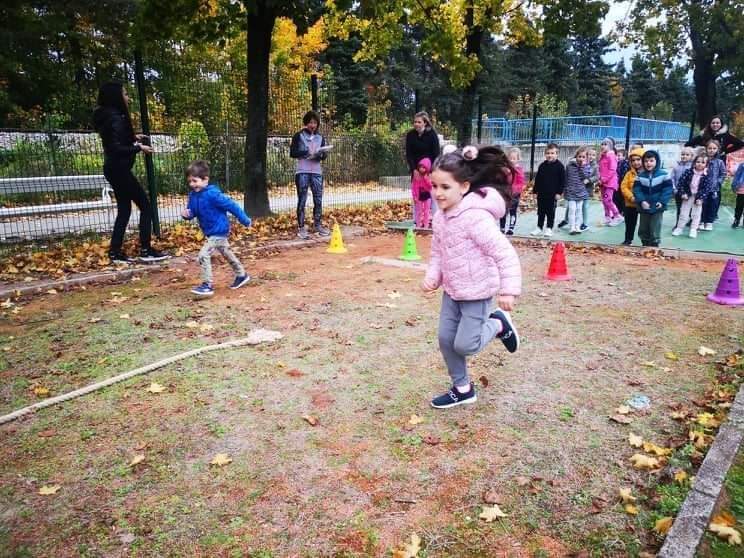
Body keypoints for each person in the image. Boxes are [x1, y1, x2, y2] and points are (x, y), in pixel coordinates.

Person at [422, 145, 521, 409]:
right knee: (446, 339)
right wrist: (433, 276)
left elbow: (504, 253)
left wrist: (508, 290)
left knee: (466, 345)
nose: (438, 193)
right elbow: (437, 252)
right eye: (434, 186)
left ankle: (498, 324)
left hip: (477, 292)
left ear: (464, 187)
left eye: (445, 187)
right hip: (452, 291)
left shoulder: (476, 218)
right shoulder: (440, 218)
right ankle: (463, 388)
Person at [93, 82, 169, 264]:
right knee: (146, 206)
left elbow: (115, 140)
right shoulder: (115, 118)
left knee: (125, 210)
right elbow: (115, 148)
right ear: (116, 97)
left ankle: (115, 252)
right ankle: (145, 250)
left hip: (115, 169)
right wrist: (138, 148)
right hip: (119, 170)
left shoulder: (108, 116)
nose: (128, 98)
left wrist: (134, 138)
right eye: (125, 94)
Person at [181, 160, 252, 297]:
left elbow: (232, 205)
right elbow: (192, 211)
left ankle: (207, 285)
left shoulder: (213, 194)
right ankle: (242, 275)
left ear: (205, 180)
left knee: (203, 254)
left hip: (219, 230)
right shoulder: (193, 196)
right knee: (226, 253)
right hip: (210, 231)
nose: (192, 184)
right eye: (189, 181)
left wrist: (245, 220)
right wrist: (186, 214)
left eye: (195, 181)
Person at [290, 110, 330, 239]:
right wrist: (306, 152)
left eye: (315, 123)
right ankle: (301, 227)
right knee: (302, 200)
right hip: (302, 171)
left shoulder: (320, 137)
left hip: (317, 172)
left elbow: (323, 156)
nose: (313, 125)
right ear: (306, 123)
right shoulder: (298, 136)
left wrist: (321, 154)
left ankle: (318, 225)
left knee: (318, 200)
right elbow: (293, 153)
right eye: (310, 122)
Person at [633, 150, 673, 247]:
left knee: (655, 227)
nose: (648, 163)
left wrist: (662, 201)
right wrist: (642, 201)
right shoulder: (640, 176)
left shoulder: (664, 175)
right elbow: (637, 189)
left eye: (651, 161)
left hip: (657, 207)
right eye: (646, 161)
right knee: (643, 227)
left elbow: (668, 189)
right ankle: (645, 244)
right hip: (644, 207)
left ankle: (654, 245)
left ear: (657, 161)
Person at [406, 112, 440, 222]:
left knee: (433, 196)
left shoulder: (432, 135)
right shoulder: (410, 135)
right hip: (416, 171)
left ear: (425, 123)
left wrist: (430, 172)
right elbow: (409, 154)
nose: (416, 124)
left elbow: (436, 154)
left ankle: (436, 221)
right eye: (415, 122)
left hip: (429, 171)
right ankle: (416, 221)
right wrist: (414, 170)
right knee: (416, 196)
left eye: (419, 122)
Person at [672, 155, 712, 239]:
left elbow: (706, 189)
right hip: (688, 196)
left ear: (706, 165)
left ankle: (693, 229)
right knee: (683, 213)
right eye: (698, 162)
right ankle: (679, 228)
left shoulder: (707, 175)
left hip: (698, 197)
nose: (700, 164)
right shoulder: (688, 172)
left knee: (696, 214)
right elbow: (681, 183)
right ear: (694, 163)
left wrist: (701, 198)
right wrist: (683, 193)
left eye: (703, 162)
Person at [530, 143, 565, 237]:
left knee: (550, 212)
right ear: (545, 154)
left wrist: (559, 193)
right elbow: (538, 179)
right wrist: (535, 191)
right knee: (541, 211)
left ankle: (549, 228)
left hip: (552, 195)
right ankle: (539, 227)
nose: (550, 155)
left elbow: (562, 181)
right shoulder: (542, 166)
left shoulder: (560, 167)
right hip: (542, 194)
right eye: (548, 153)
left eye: (552, 153)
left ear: (557, 154)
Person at [619, 148, 645, 245]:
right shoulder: (629, 174)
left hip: (643, 204)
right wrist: (631, 197)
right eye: (633, 160)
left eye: (638, 159)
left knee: (644, 224)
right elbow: (623, 187)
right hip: (630, 203)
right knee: (630, 223)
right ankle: (628, 239)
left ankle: (645, 241)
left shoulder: (647, 174)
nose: (635, 162)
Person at [563, 147, 591, 234]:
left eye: (583, 157)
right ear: (576, 156)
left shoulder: (586, 167)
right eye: (579, 156)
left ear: (586, 158)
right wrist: (565, 189)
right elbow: (566, 177)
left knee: (579, 210)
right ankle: (572, 227)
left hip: (581, 192)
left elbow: (586, 176)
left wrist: (582, 166)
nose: (581, 159)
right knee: (572, 209)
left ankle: (577, 227)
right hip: (571, 191)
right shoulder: (569, 166)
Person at [700, 140, 726, 230]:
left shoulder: (719, 162)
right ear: (706, 149)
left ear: (718, 149)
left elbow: (723, 174)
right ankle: (701, 221)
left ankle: (709, 222)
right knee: (702, 205)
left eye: (714, 148)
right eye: (709, 148)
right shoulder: (703, 160)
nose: (712, 150)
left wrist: (718, 182)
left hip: (714, 189)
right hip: (702, 189)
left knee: (712, 205)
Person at [501, 147, 525, 235]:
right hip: (505, 193)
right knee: (503, 211)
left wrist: (515, 190)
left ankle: (511, 228)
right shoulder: (505, 169)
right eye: (510, 158)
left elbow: (520, 183)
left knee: (513, 211)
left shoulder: (519, 170)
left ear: (518, 159)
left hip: (514, 194)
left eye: (514, 158)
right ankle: (502, 228)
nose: (511, 160)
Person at [599, 137, 623, 226]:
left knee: (607, 200)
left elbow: (612, 170)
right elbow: (600, 169)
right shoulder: (602, 156)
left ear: (610, 146)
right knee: (604, 200)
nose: (603, 146)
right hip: (603, 183)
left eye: (605, 144)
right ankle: (607, 217)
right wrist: (600, 179)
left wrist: (604, 179)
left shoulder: (611, 156)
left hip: (610, 183)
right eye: (602, 144)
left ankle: (617, 216)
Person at [670, 146, 695, 223]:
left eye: (687, 155)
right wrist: (674, 188)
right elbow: (672, 178)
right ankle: (678, 224)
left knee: (689, 208)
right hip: (678, 191)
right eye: (683, 154)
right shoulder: (676, 166)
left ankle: (691, 221)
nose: (684, 156)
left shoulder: (693, 167)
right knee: (679, 208)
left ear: (691, 156)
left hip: (688, 192)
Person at [411, 158, 433, 229]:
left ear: (427, 168)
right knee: (419, 211)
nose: (421, 169)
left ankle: (426, 226)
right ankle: (418, 226)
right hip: (419, 196)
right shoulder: (416, 176)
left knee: (426, 211)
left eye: (424, 167)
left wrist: (426, 179)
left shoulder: (428, 176)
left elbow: (430, 186)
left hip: (427, 196)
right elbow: (413, 187)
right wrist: (414, 196)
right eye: (420, 166)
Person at [732, 163, 744, 228]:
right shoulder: (742, 165)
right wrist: (734, 185)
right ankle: (737, 220)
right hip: (741, 189)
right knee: (739, 206)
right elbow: (737, 175)